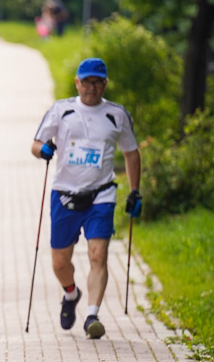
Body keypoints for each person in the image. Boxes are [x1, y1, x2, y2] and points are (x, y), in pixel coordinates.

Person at [31, 58, 142, 339]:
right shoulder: (61, 110)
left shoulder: (117, 115)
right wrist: (43, 150)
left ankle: (92, 316)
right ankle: (71, 295)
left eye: (97, 81)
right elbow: (35, 144)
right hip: (64, 195)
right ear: (77, 83)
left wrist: (134, 191)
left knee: (98, 255)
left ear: (105, 84)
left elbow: (131, 153)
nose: (91, 87)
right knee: (59, 263)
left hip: (101, 195)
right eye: (87, 81)